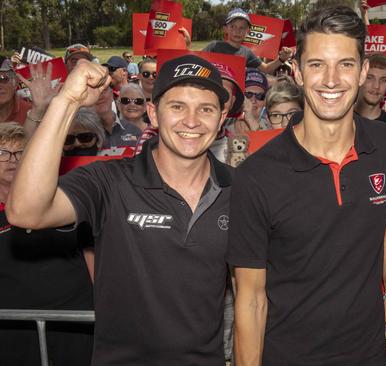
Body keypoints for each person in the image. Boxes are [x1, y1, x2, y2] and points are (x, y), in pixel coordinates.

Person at [6, 54, 234, 365]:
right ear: (153, 113)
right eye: (177, 106)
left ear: (221, 119)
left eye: (205, 109)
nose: (191, 121)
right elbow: (25, 212)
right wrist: (66, 102)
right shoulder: (108, 181)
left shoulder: (241, 190)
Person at [228, 6, 386, 365]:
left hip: (368, 355)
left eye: (345, 64)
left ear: (362, 72)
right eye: (316, 64)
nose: (331, 79)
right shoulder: (256, 176)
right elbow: (250, 300)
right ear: (296, 72)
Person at [0, 122, 94, 366]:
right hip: (14, 331)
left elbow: (91, 253)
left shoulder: (64, 201)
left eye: (21, 152)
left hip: (76, 325)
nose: (12, 159)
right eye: (2, 152)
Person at [203, 8, 293, 75]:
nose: (237, 31)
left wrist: (281, 59)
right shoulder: (214, 46)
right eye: (233, 26)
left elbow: (265, 69)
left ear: (248, 31)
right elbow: (196, 62)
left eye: (242, 27)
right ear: (225, 29)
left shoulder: (247, 52)